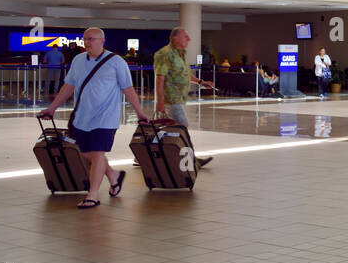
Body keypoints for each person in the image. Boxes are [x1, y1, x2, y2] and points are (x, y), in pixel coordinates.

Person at [38, 27, 152, 208]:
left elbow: (128, 89)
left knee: (98, 153)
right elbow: (68, 86)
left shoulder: (116, 62)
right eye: (85, 39)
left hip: (106, 117)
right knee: (85, 152)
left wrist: (140, 112)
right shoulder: (78, 60)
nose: (87, 43)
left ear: (102, 41)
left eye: (91, 39)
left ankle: (92, 194)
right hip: (82, 117)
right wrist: (52, 108)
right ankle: (114, 175)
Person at [153, 27, 216, 167]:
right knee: (182, 125)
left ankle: (152, 151)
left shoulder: (180, 53)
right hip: (171, 98)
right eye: (185, 36)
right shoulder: (165, 54)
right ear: (176, 38)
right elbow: (160, 79)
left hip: (178, 99)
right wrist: (160, 101)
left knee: (170, 127)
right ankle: (191, 159)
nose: (189, 39)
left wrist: (201, 82)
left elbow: (185, 74)